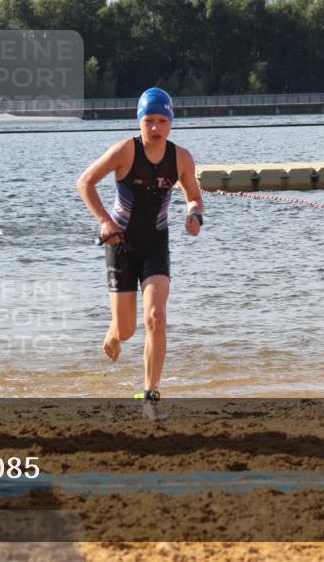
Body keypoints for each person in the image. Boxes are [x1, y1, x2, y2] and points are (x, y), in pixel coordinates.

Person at [77, 88, 203, 408]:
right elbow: (85, 182)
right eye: (149, 121)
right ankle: (114, 330)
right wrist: (105, 221)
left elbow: (194, 196)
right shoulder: (125, 151)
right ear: (140, 121)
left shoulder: (182, 158)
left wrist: (194, 215)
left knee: (156, 317)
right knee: (128, 330)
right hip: (120, 243)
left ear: (171, 122)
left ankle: (150, 392)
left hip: (156, 244)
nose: (156, 127)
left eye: (162, 120)